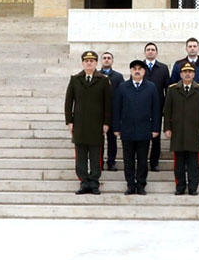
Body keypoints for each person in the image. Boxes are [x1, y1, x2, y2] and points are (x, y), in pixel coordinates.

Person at [64, 50, 112, 195]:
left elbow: (108, 103)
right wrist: (69, 121)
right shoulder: (75, 79)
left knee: (96, 155)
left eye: (92, 61)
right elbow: (69, 102)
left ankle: (94, 182)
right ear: (82, 63)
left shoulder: (103, 80)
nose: (89, 63)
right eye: (86, 61)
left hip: (96, 124)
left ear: (96, 63)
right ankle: (84, 182)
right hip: (79, 124)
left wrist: (106, 122)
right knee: (81, 156)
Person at [112, 59, 161, 196]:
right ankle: (130, 185)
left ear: (144, 71)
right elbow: (117, 108)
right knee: (128, 160)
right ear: (130, 71)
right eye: (134, 69)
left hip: (144, 130)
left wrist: (155, 128)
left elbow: (156, 109)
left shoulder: (151, 87)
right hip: (127, 130)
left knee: (142, 160)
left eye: (140, 69)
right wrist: (116, 127)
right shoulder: (122, 87)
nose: (137, 71)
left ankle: (141, 185)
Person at [163, 61, 199, 195]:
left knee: (194, 163)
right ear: (180, 74)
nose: (187, 74)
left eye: (190, 72)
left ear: (194, 74)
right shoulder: (173, 89)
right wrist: (167, 128)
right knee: (179, 163)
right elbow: (167, 111)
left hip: (194, 132)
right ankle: (180, 187)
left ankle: (193, 187)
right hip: (178, 132)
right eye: (185, 72)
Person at [142, 42, 170, 171]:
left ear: (156, 52)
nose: (150, 51)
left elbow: (167, 89)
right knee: (142, 136)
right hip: (141, 107)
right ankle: (142, 161)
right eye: (148, 49)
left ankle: (154, 162)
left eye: (153, 49)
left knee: (156, 137)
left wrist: (166, 107)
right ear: (145, 52)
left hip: (157, 108)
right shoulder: (139, 67)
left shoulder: (163, 68)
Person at [170, 37, 199, 115]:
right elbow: (173, 85)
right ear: (186, 49)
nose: (192, 48)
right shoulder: (178, 64)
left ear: (198, 48)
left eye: (194, 46)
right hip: (181, 104)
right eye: (190, 46)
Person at [99, 51, 124, 171]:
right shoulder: (96, 75)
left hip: (113, 113)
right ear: (101, 61)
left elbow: (122, 94)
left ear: (112, 61)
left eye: (109, 58)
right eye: (104, 58)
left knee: (112, 140)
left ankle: (111, 162)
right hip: (99, 113)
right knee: (98, 140)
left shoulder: (118, 77)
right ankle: (99, 162)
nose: (106, 60)